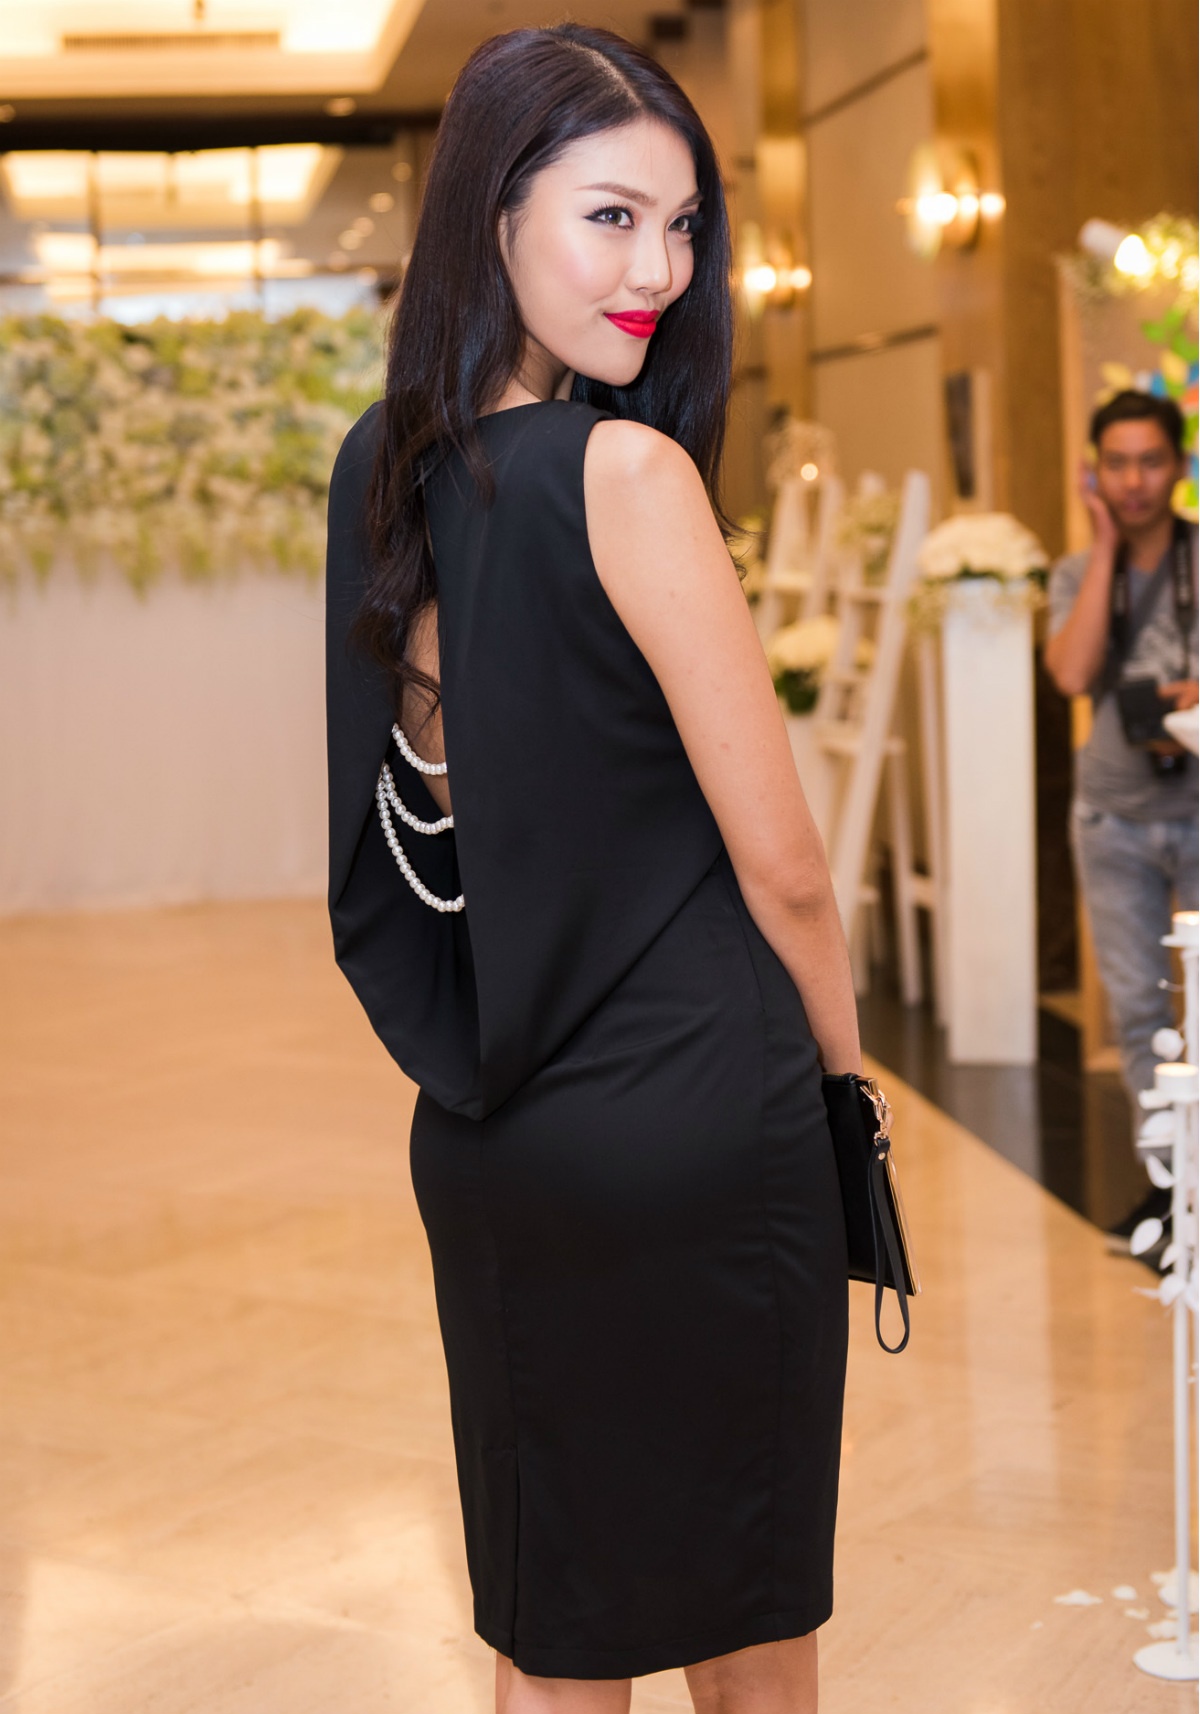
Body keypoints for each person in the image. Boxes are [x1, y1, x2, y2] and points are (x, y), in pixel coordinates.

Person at [325, 24, 859, 1714]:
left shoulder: (379, 467)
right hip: (701, 1114)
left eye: (683, 225)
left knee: (551, 1621)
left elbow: (414, 813)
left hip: (494, 1128)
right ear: (494, 216)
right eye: (612, 217)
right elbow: (785, 866)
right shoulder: (628, 471)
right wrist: (846, 1088)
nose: (660, 271)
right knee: (746, 1613)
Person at [1044, 390, 1198, 1246]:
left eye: (1150, 461)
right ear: (1094, 473)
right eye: (1117, 464)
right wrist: (1105, 546)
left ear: (1179, 466)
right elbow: (1071, 675)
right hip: (1113, 819)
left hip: (1197, 807)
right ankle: (1169, 1187)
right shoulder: (1078, 570)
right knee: (1140, 1012)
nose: (1134, 481)